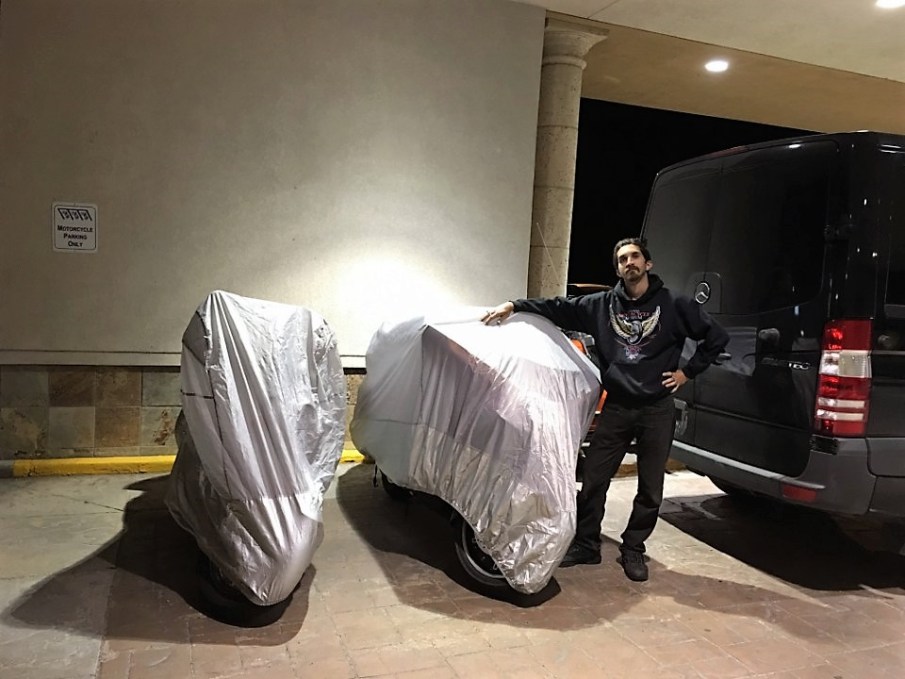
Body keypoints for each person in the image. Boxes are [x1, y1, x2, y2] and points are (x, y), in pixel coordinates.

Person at [482, 237, 728, 581]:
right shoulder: (601, 305)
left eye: (635, 256)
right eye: (623, 259)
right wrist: (514, 305)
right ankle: (587, 544)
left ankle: (634, 548)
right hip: (617, 407)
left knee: (650, 488)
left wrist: (687, 373)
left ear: (648, 263)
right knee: (594, 480)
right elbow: (557, 306)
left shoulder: (675, 304)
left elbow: (716, 338)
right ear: (618, 269)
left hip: (657, 408)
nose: (630, 262)